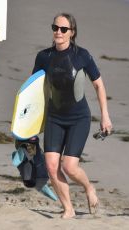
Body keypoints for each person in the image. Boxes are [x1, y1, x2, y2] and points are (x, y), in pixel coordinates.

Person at [32, 13, 112, 219]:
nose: (58, 32)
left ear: (72, 32)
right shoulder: (43, 57)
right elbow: (32, 90)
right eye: (55, 27)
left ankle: (88, 187)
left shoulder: (82, 55)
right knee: (51, 166)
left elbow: (98, 85)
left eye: (63, 29)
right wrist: (29, 125)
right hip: (54, 117)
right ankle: (68, 208)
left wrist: (105, 116)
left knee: (69, 166)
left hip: (79, 118)